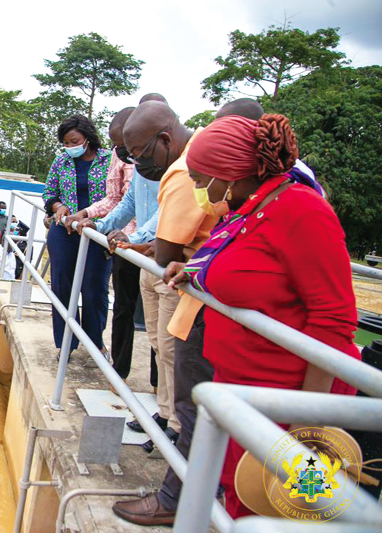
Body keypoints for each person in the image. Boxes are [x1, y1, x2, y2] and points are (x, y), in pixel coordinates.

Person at [164, 113, 361, 519]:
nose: (199, 189)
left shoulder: (302, 212)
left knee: (278, 510)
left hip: (286, 404)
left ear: (231, 175)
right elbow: (245, 269)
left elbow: (335, 319)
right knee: (241, 498)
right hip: (242, 392)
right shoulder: (248, 211)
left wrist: (306, 429)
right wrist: (196, 274)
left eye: (202, 179)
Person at [109, 101, 218, 525]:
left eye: (137, 154)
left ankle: (177, 499)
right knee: (167, 357)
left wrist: (169, 249)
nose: (133, 164)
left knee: (194, 401)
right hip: (200, 293)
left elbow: (171, 248)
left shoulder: (185, 170)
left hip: (204, 304)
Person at [66, 107, 146, 381]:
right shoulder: (120, 155)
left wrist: (136, 237)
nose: (121, 151)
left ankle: (161, 390)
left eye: (124, 146)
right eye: (117, 146)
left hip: (151, 245)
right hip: (121, 242)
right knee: (123, 308)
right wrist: (92, 218)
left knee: (159, 324)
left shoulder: (159, 161)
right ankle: (119, 370)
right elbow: (120, 201)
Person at [42, 114, 113, 360]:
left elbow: (116, 196)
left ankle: (95, 344)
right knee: (62, 285)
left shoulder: (109, 160)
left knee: (94, 289)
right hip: (64, 231)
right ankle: (66, 343)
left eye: (75, 141)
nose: (70, 146)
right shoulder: (61, 161)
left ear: (88, 138)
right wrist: (58, 207)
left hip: (96, 232)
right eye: (66, 142)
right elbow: (49, 192)